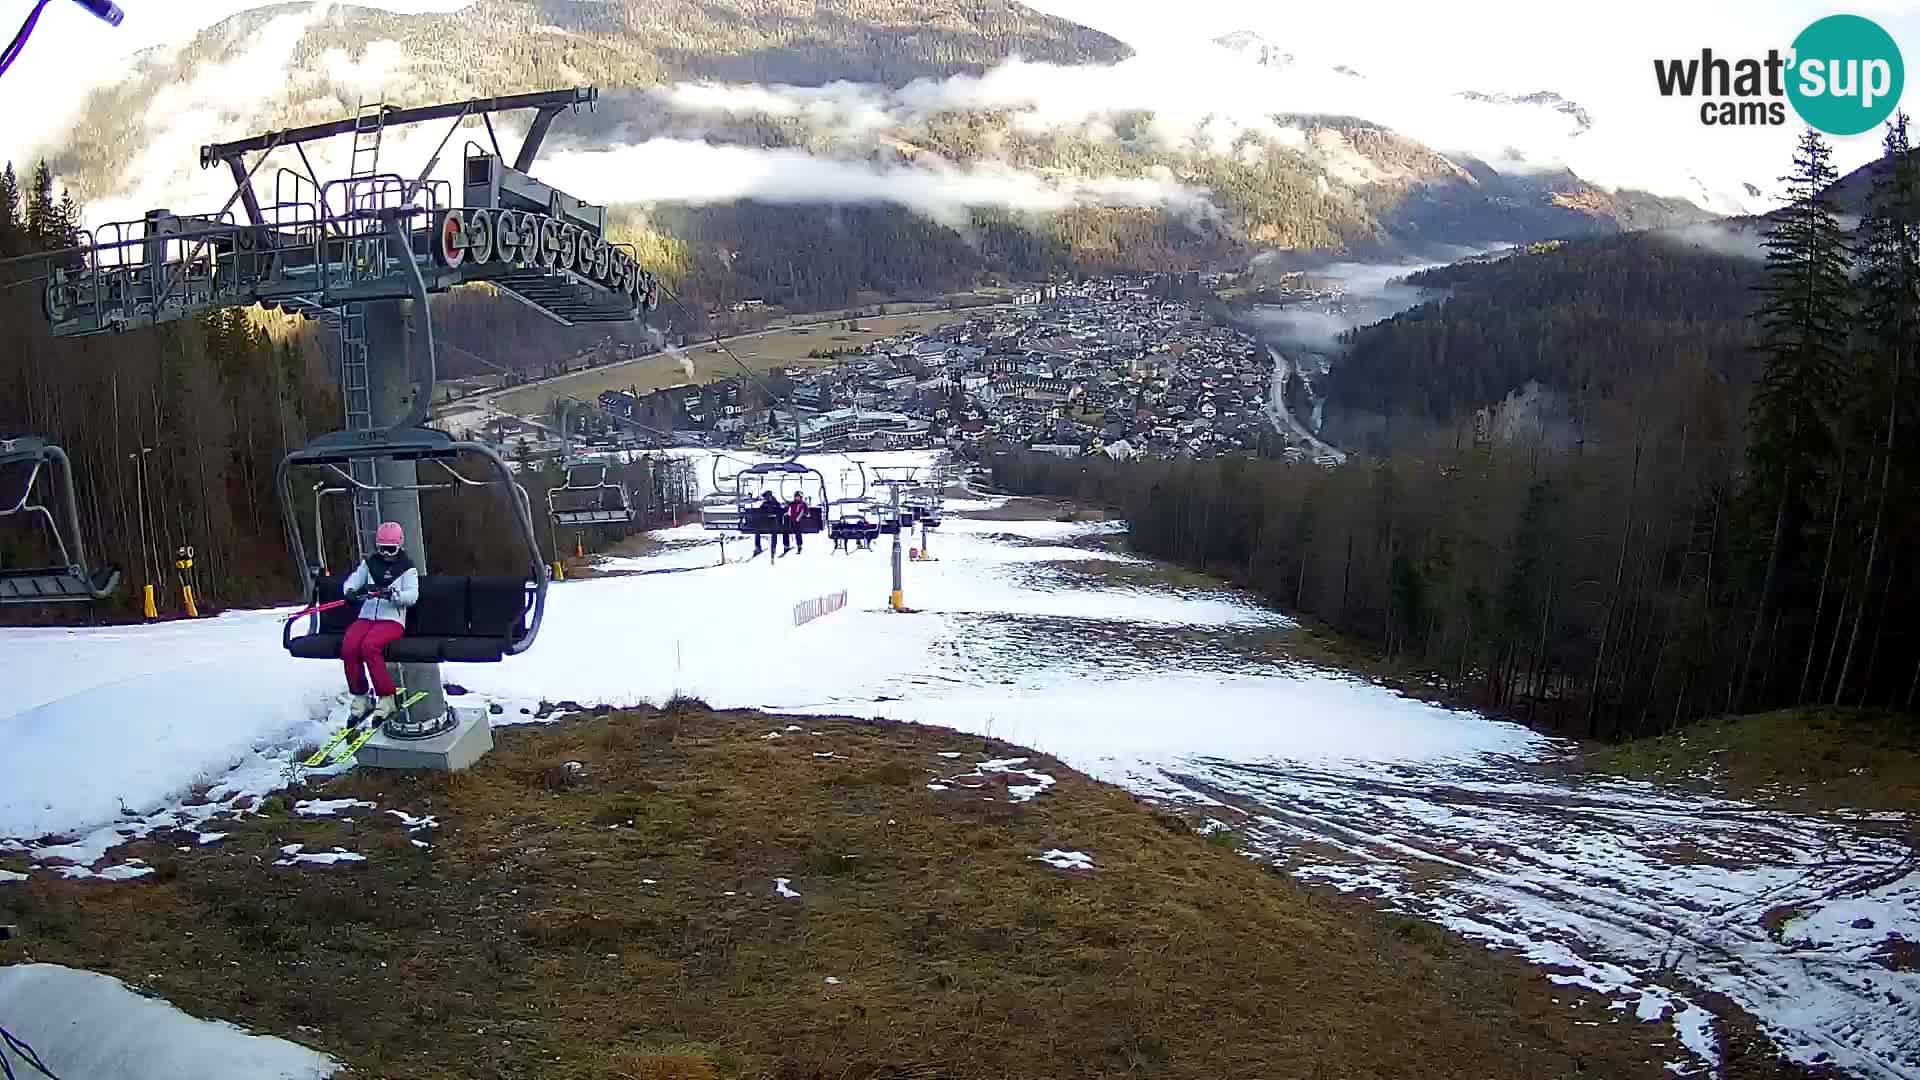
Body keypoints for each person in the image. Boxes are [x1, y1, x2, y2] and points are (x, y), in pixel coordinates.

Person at [339, 521, 420, 726]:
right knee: (349, 646)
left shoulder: (407, 568)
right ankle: (360, 695)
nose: (386, 554)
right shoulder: (370, 564)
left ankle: (387, 697)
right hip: (367, 616)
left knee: (369, 646)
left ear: (399, 546)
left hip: (391, 619)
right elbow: (353, 580)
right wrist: (349, 591)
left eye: (391, 549)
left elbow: (412, 595)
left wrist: (394, 595)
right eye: (382, 549)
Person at [752, 490, 781, 557]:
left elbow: (778, 511)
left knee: (774, 532)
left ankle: (773, 548)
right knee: (757, 530)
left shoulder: (775, 503)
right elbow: (760, 511)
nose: (765, 498)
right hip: (766, 523)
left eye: (766, 497)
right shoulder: (765, 503)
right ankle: (758, 547)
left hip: (773, 522)